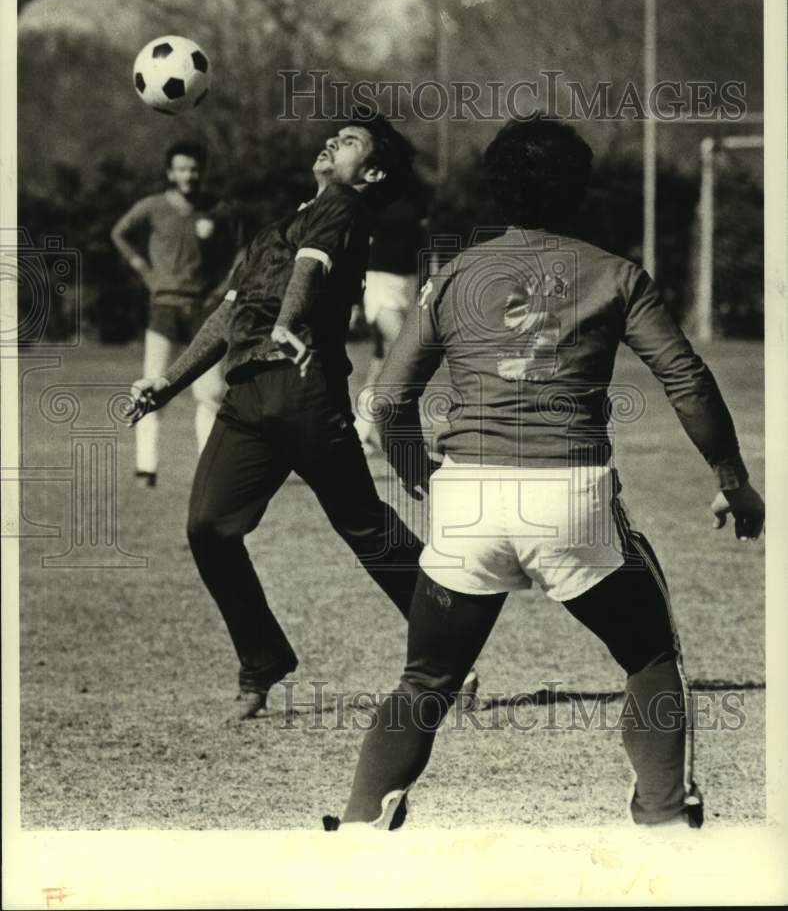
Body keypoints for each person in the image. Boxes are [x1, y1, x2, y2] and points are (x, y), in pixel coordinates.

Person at [326, 115, 765, 831]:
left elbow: (389, 400)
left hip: (468, 499)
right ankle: (662, 822)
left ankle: (353, 832)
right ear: (582, 193)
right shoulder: (617, 274)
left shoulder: (456, 275)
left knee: (427, 681)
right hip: (571, 499)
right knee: (650, 655)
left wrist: (420, 476)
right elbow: (685, 376)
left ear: (497, 193)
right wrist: (731, 476)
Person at [126, 116, 477, 721]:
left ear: (370, 173)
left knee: (364, 526)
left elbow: (310, 270)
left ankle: (453, 651)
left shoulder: (343, 207)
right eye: (333, 136)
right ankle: (262, 660)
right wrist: (169, 381)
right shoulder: (279, 225)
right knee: (208, 527)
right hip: (246, 398)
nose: (331, 143)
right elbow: (227, 316)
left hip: (304, 392)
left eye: (349, 143)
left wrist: (289, 322)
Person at [112, 141, 239, 488]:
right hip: (164, 310)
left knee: (210, 392)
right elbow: (119, 233)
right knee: (152, 386)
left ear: (202, 172)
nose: (189, 175)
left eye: (194, 168)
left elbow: (241, 248)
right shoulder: (152, 207)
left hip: (203, 311)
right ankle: (146, 468)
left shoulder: (216, 209)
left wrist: (225, 285)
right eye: (182, 168)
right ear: (170, 173)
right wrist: (144, 269)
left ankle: (207, 468)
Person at [355, 174, 432, 454]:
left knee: (382, 363)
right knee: (405, 348)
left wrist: (426, 280)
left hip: (408, 282)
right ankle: (401, 433)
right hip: (378, 280)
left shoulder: (417, 194)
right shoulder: (370, 196)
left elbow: (423, 241)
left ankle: (360, 432)